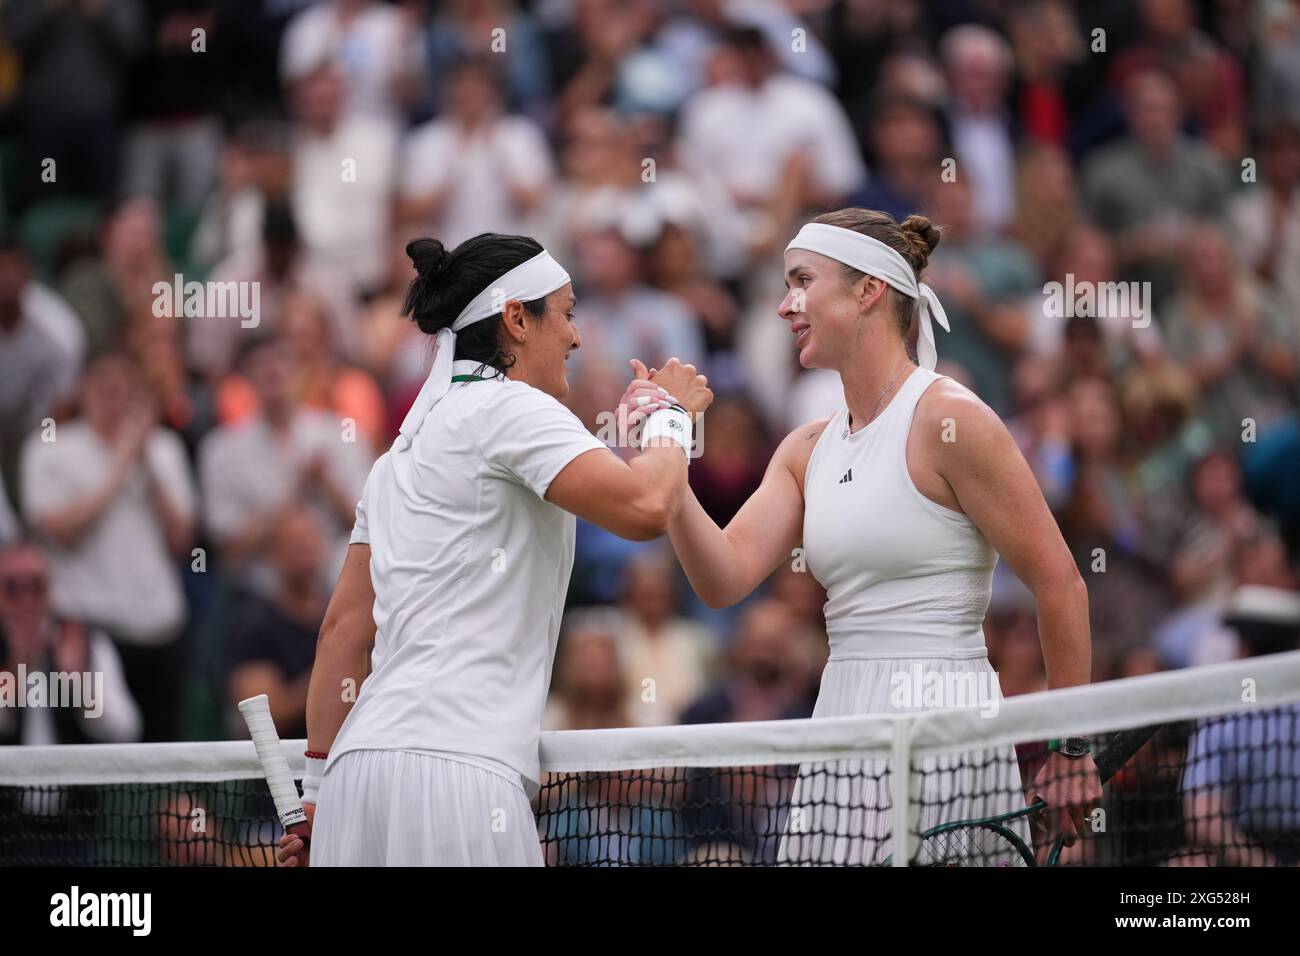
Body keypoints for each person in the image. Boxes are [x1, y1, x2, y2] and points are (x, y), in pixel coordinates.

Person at [656, 208, 1101, 864]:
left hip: (947, 721)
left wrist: (1071, 750)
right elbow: (721, 578)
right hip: (842, 718)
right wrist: (665, 454)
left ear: (868, 291)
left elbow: (1060, 582)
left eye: (803, 281)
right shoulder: (805, 448)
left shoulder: (952, 420)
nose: (785, 306)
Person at [278, 232, 712, 867]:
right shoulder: (512, 409)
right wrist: (671, 416)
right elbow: (646, 508)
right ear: (516, 319)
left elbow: (342, 633)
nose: (578, 336)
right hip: (461, 778)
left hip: (354, 779)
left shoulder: (396, 459)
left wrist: (316, 797)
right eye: (566, 313)